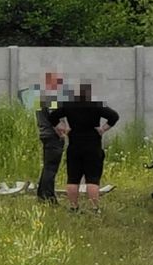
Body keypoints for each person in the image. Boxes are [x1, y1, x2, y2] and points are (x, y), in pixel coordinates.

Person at [48, 83, 119, 213]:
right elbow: (114, 116)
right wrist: (103, 129)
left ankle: (73, 207)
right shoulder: (97, 105)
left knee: (73, 178)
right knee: (92, 178)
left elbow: (52, 116)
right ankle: (94, 208)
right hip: (93, 145)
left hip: (74, 144)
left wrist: (64, 129)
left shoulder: (68, 105)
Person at [35, 72, 69, 204]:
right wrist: (63, 134)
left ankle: (41, 194)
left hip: (44, 134)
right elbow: (54, 119)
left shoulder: (41, 98)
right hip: (52, 136)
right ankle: (48, 197)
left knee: (47, 166)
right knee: (51, 168)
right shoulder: (52, 99)